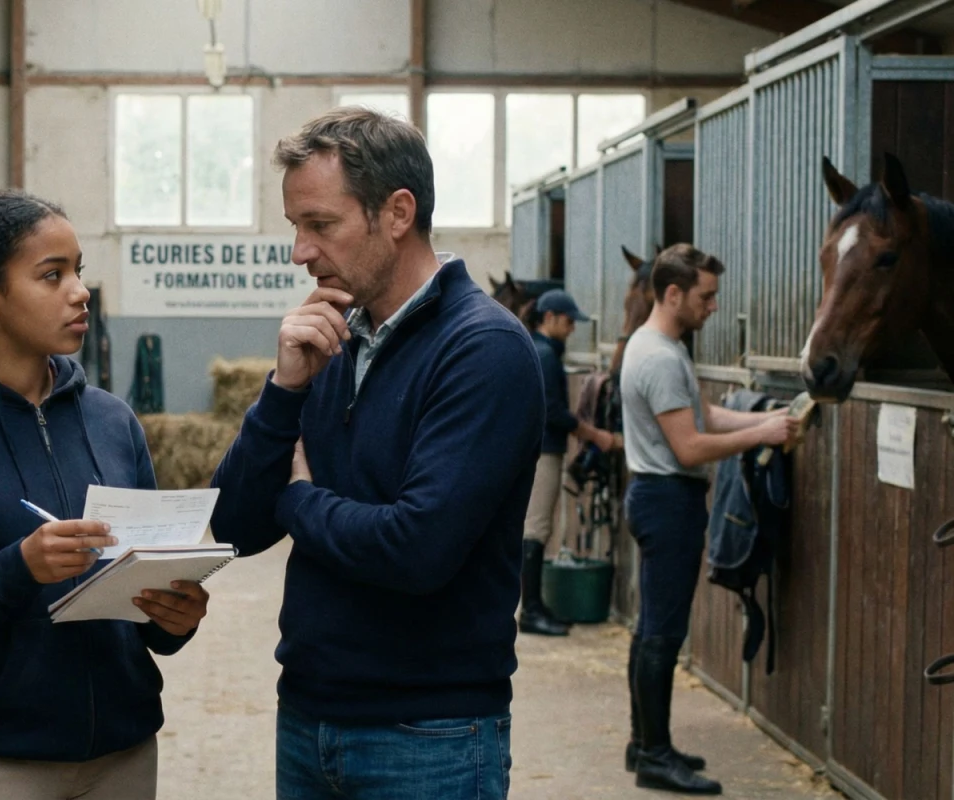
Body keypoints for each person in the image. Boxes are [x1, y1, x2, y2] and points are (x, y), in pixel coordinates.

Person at [208, 108, 544, 800]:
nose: (300, 252)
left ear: (397, 213)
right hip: (308, 715)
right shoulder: (332, 338)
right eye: (295, 226)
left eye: (320, 224)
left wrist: (300, 500)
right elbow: (235, 524)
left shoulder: (483, 349)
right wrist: (283, 391)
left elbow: (416, 549)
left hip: (430, 735)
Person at [0, 189, 210, 800]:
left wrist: (174, 618)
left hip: (124, 758)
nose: (79, 291)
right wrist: (16, 568)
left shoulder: (113, 422)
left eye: (78, 270)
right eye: (52, 275)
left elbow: (147, 613)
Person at [619, 243, 797, 795]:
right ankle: (653, 755)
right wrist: (761, 435)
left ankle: (645, 743)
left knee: (651, 627)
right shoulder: (659, 357)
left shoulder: (659, 346)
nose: (714, 306)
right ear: (674, 294)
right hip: (667, 500)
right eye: (707, 296)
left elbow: (704, 416)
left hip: (657, 496)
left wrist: (767, 417)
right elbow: (691, 446)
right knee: (663, 632)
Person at [520, 289, 620, 637]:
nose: (572, 328)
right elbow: (555, 412)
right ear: (548, 318)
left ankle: (534, 605)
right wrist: (595, 435)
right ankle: (530, 609)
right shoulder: (546, 354)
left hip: (538, 448)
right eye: (567, 321)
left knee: (535, 527)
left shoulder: (536, 349)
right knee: (536, 529)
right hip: (545, 451)